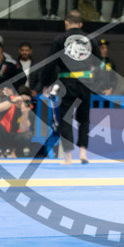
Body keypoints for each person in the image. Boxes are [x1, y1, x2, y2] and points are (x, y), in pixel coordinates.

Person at [40, 10, 102, 165]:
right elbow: (99, 62)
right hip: (85, 82)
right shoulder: (90, 40)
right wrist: (96, 82)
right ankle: (83, 153)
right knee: (84, 118)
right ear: (81, 24)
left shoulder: (60, 39)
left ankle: (68, 156)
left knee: (65, 117)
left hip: (66, 82)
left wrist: (45, 83)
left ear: (66, 23)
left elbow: (51, 63)